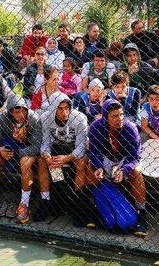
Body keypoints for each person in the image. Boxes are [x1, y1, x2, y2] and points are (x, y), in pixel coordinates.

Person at [84, 99, 148, 237]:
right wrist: (98, 167)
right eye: (114, 116)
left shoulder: (130, 127)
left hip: (125, 159)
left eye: (121, 114)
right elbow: (94, 152)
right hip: (107, 158)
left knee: (136, 172)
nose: (119, 119)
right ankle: (93, 209)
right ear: (105, 116)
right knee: (89, 166)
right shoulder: (95, 127)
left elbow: (134, 156)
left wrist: (124, 170)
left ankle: (142, 214)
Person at [0, 95, 42, 224]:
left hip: (27, 150)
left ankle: (24, 204)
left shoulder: (34, 119)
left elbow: (36, 147)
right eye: (17, 111)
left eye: (23, 110)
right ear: (10, 111)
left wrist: (16, 153)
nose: (21, 114)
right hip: (8, 148)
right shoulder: (3, 118)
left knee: (25, 163)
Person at [35, 93, 89, 222]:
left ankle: (78, 203)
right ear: (53, 108)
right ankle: (46, 201)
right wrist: (47, 155)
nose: (64, 112)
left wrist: (67, 158)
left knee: (81, 162)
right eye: (60, 108)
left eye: (66, 108)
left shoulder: (80, 118)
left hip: (74, 150)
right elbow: (45, 143)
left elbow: (81, 147)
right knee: (43, 160)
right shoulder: (45, 118)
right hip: (56, 149)